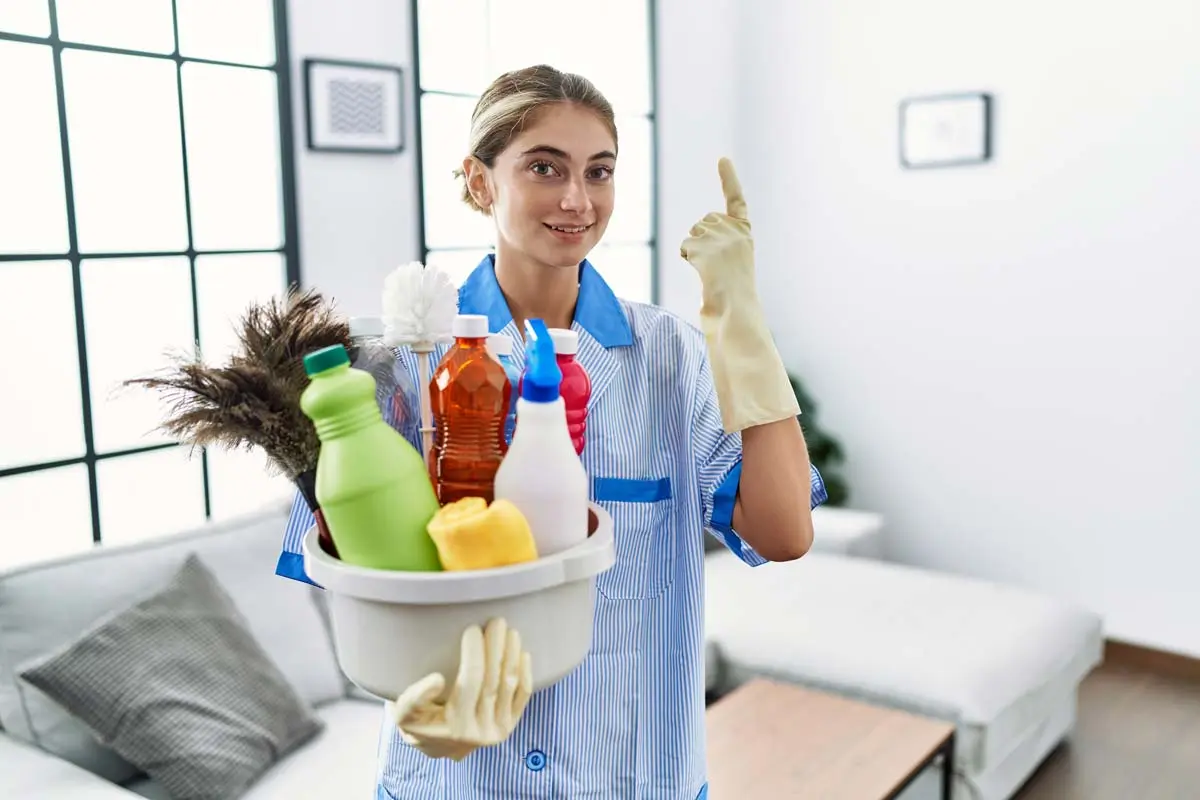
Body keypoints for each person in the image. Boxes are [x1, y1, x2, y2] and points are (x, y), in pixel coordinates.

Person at [277, 64, 827, 799]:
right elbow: (353, 585)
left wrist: (745, 329)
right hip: (457, 779)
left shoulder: (669, 356)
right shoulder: (398, 370)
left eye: (599, 172)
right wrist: (416, 708)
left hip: (635, 776)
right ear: (480, 183)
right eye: (545, 167)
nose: (577, 199)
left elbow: (784, 534)